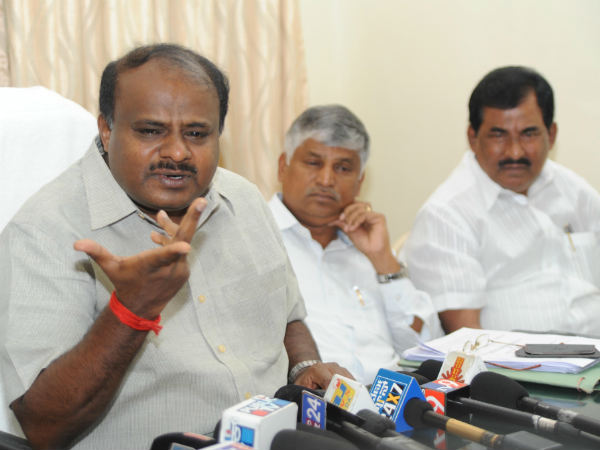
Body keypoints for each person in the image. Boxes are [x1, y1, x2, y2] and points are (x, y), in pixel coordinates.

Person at [0, 44, 348, 450]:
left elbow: (287, 317)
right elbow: (45, 426)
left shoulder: (244, 199)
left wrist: (304, 365)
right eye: (151, 131)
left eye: (197, 134)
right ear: (107, 130)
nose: (178, 152)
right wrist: (131, 311)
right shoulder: (44, 231)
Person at [404, 66, 600, 335]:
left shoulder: (574, 191)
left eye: (529, 134)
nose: (515, 152)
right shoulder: (446, 216)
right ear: (473, 138)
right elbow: (466, 338)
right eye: (498, 135)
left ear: (551, 135)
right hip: (517, 361)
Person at [269, 105, 441, 385]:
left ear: (360, 182)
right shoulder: (257, 236)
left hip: (394, 398)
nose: (326, 180)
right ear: (282, 167)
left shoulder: (368, 247)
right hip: (312, 403)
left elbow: (426, 351)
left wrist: (383, 260)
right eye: (313, 163)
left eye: (343, 168)